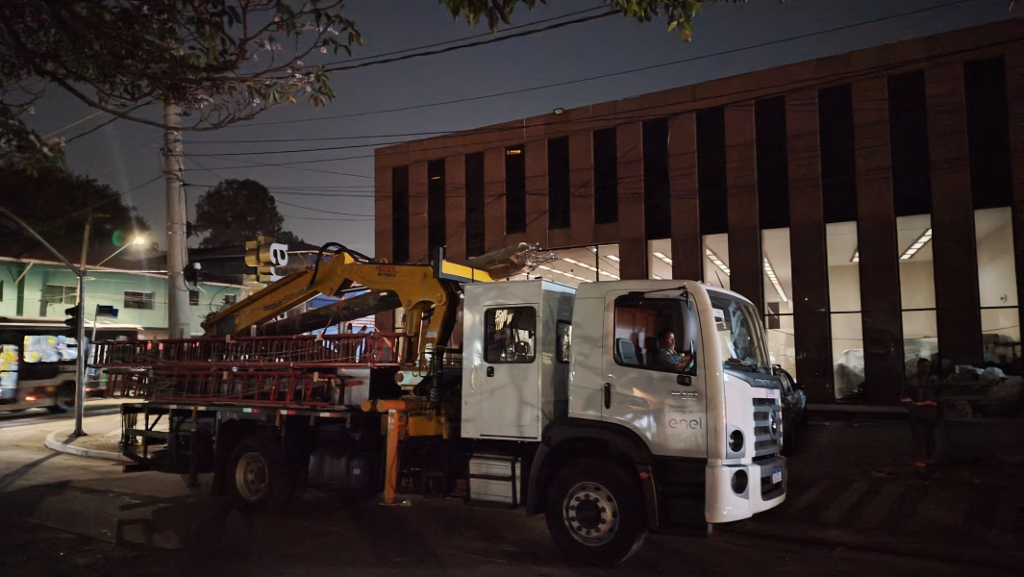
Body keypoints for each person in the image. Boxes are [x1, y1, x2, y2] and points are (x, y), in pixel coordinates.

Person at [901, 358, 943, 475]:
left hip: (930, 416)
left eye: (928, 367)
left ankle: (929, 463)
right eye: (925, 366)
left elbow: (938, 398)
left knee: (930, 441)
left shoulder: (932, 381)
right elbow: (905, 398)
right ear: (918, 367)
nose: (927, 369)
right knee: (919, 442)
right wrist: (915, 411)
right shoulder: (911, 382)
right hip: (919, 416)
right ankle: (920, 467)